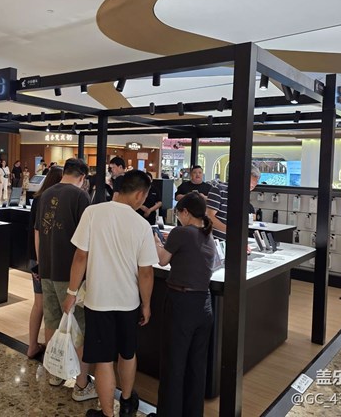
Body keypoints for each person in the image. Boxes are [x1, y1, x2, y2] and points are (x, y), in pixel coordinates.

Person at [64, 170, 159, 417]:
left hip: (98, 301)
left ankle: (107, 413)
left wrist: (71, 292)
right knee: (127, 353)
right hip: (129, 302)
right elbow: (146, 272)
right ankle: (126, 403)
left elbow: (80, 256)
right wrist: (146, 304)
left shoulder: (93, 213)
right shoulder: (142, 225)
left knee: (104, 359)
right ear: (139, 195)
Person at [35, 158, 96, 401]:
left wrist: (41, 263)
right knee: (78, 327)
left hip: (47, 269)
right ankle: (81, 384)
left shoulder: (45, 193)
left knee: (51, 322)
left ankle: (55, 373)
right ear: (82, 177)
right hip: (70, 273)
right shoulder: (80, 196)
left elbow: (38, 233)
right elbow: (86, 241)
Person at [151, 192, 217, 417]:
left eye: (179, 213)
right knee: (196, 366)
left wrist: (156, 242)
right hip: (204, 304)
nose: (178, 218)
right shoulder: (207, 234)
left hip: (181, 303)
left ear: (186, 212)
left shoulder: (182, 232)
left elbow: (162, 260)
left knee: (174, 363)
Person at [26, 166, 63, 359]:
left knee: (39, 303)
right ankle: (49, 351)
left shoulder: (39, 198)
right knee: (47, 305)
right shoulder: (48, 200)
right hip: (44, 258)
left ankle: (33, 345)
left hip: (36, 257)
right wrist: (41, 262)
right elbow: (38, 232)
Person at [206, 164, 260, 235]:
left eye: (252, 187)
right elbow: (209, 216)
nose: (248, 190)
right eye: (247, 185)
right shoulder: (219, 190)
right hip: (217, 239)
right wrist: (230, 232)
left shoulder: (243, 197)